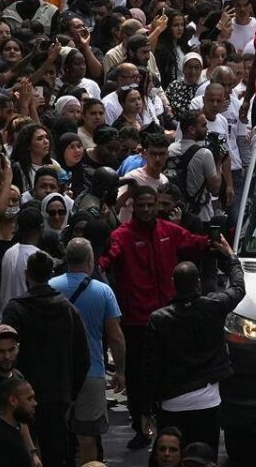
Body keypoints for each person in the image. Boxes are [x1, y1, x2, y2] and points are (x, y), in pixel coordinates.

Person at [98, 185, 210, 449]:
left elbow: (196, 242)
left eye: (151, 205)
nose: (146, 210)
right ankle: (140, 425)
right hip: (137, 322)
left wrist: (219, 242)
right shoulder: (121, 236)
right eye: (141, 205)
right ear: (133, 207)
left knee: (171, 374)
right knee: (137, 378)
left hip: (170, 318)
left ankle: (169, 428)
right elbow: (107, 258)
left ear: (158, 204)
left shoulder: (169, 231)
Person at [145, 235, 245, 460]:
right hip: (207, 399)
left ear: (174, 284)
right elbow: (238, 287)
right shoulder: (214, 306)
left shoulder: (158, 319)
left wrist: (147, 407)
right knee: (204, 458)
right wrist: (231, 257)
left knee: (171, 458)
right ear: (198, 282)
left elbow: (151, 365)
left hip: (171, 401)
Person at [0, 250, 90, 467]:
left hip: (22, 396)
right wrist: (70, 391)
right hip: (58, 395)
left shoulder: (16, 309)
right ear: (50, 274)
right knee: (55, 454)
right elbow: (83, 357)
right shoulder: (68, 310)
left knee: (21, 454)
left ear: (26, 274)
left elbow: (5, 353)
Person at [49, 237, 125, 467]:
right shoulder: (103, 291)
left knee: (56, 435)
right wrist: (120, 370)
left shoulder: (51, 287)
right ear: (90, 260)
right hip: (91, 373)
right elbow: (115, 336)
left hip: (57, 374)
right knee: (87, 436)